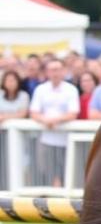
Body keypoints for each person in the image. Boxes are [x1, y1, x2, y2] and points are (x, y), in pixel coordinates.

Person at [28, 58, 80, 186]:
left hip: (66, 139)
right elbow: (34, 112)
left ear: (63, 71)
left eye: (57, 69)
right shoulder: (40, 89)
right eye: (51, 70)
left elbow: (73, 113)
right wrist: (45, 120)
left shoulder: (71, 89)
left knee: (66, 173)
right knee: (46, 172)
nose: (54, 73)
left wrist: (54, 120)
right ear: (47, 72)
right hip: (46, 139)